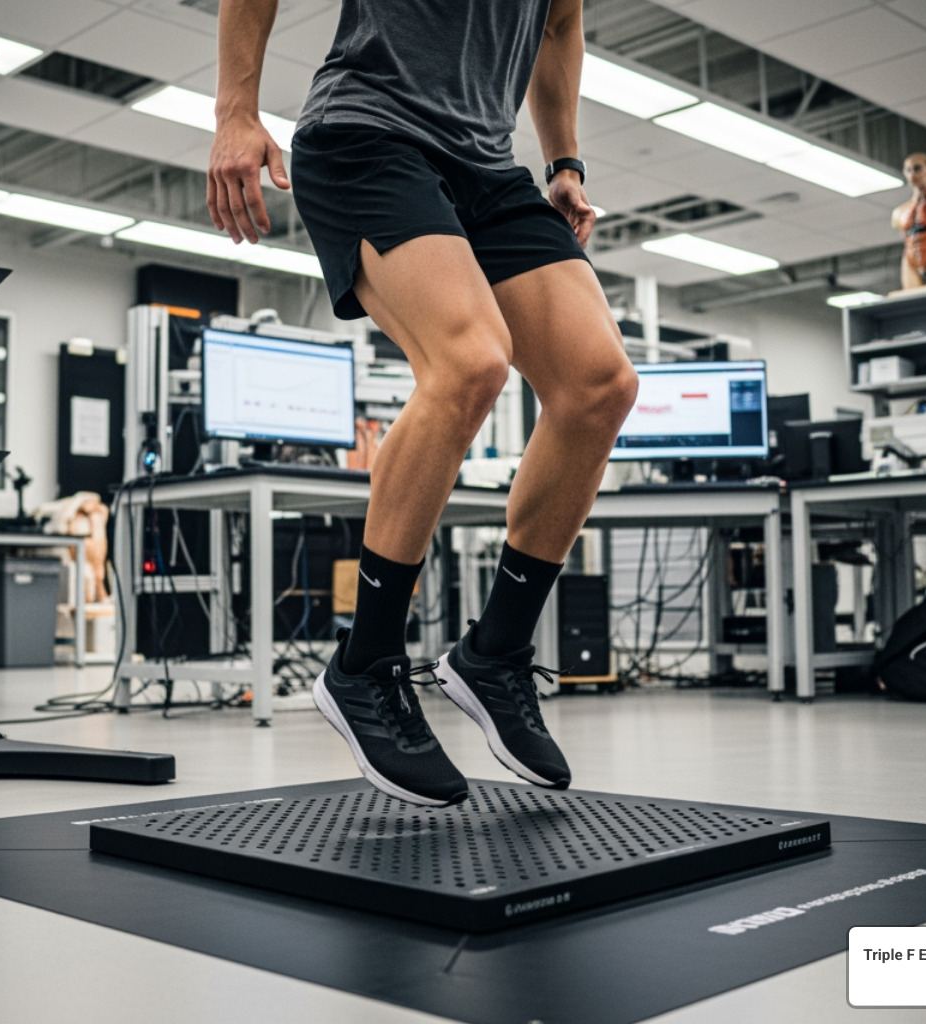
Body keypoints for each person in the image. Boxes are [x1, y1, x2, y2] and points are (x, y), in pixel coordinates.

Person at [209, 0, 639, 807]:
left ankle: (496, 655)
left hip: (487, 166)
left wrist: (565, 164)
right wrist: (236, 112)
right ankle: (365, 665)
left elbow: (559, 24)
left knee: (600, 387)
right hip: (368, 134)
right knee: (471, 363)